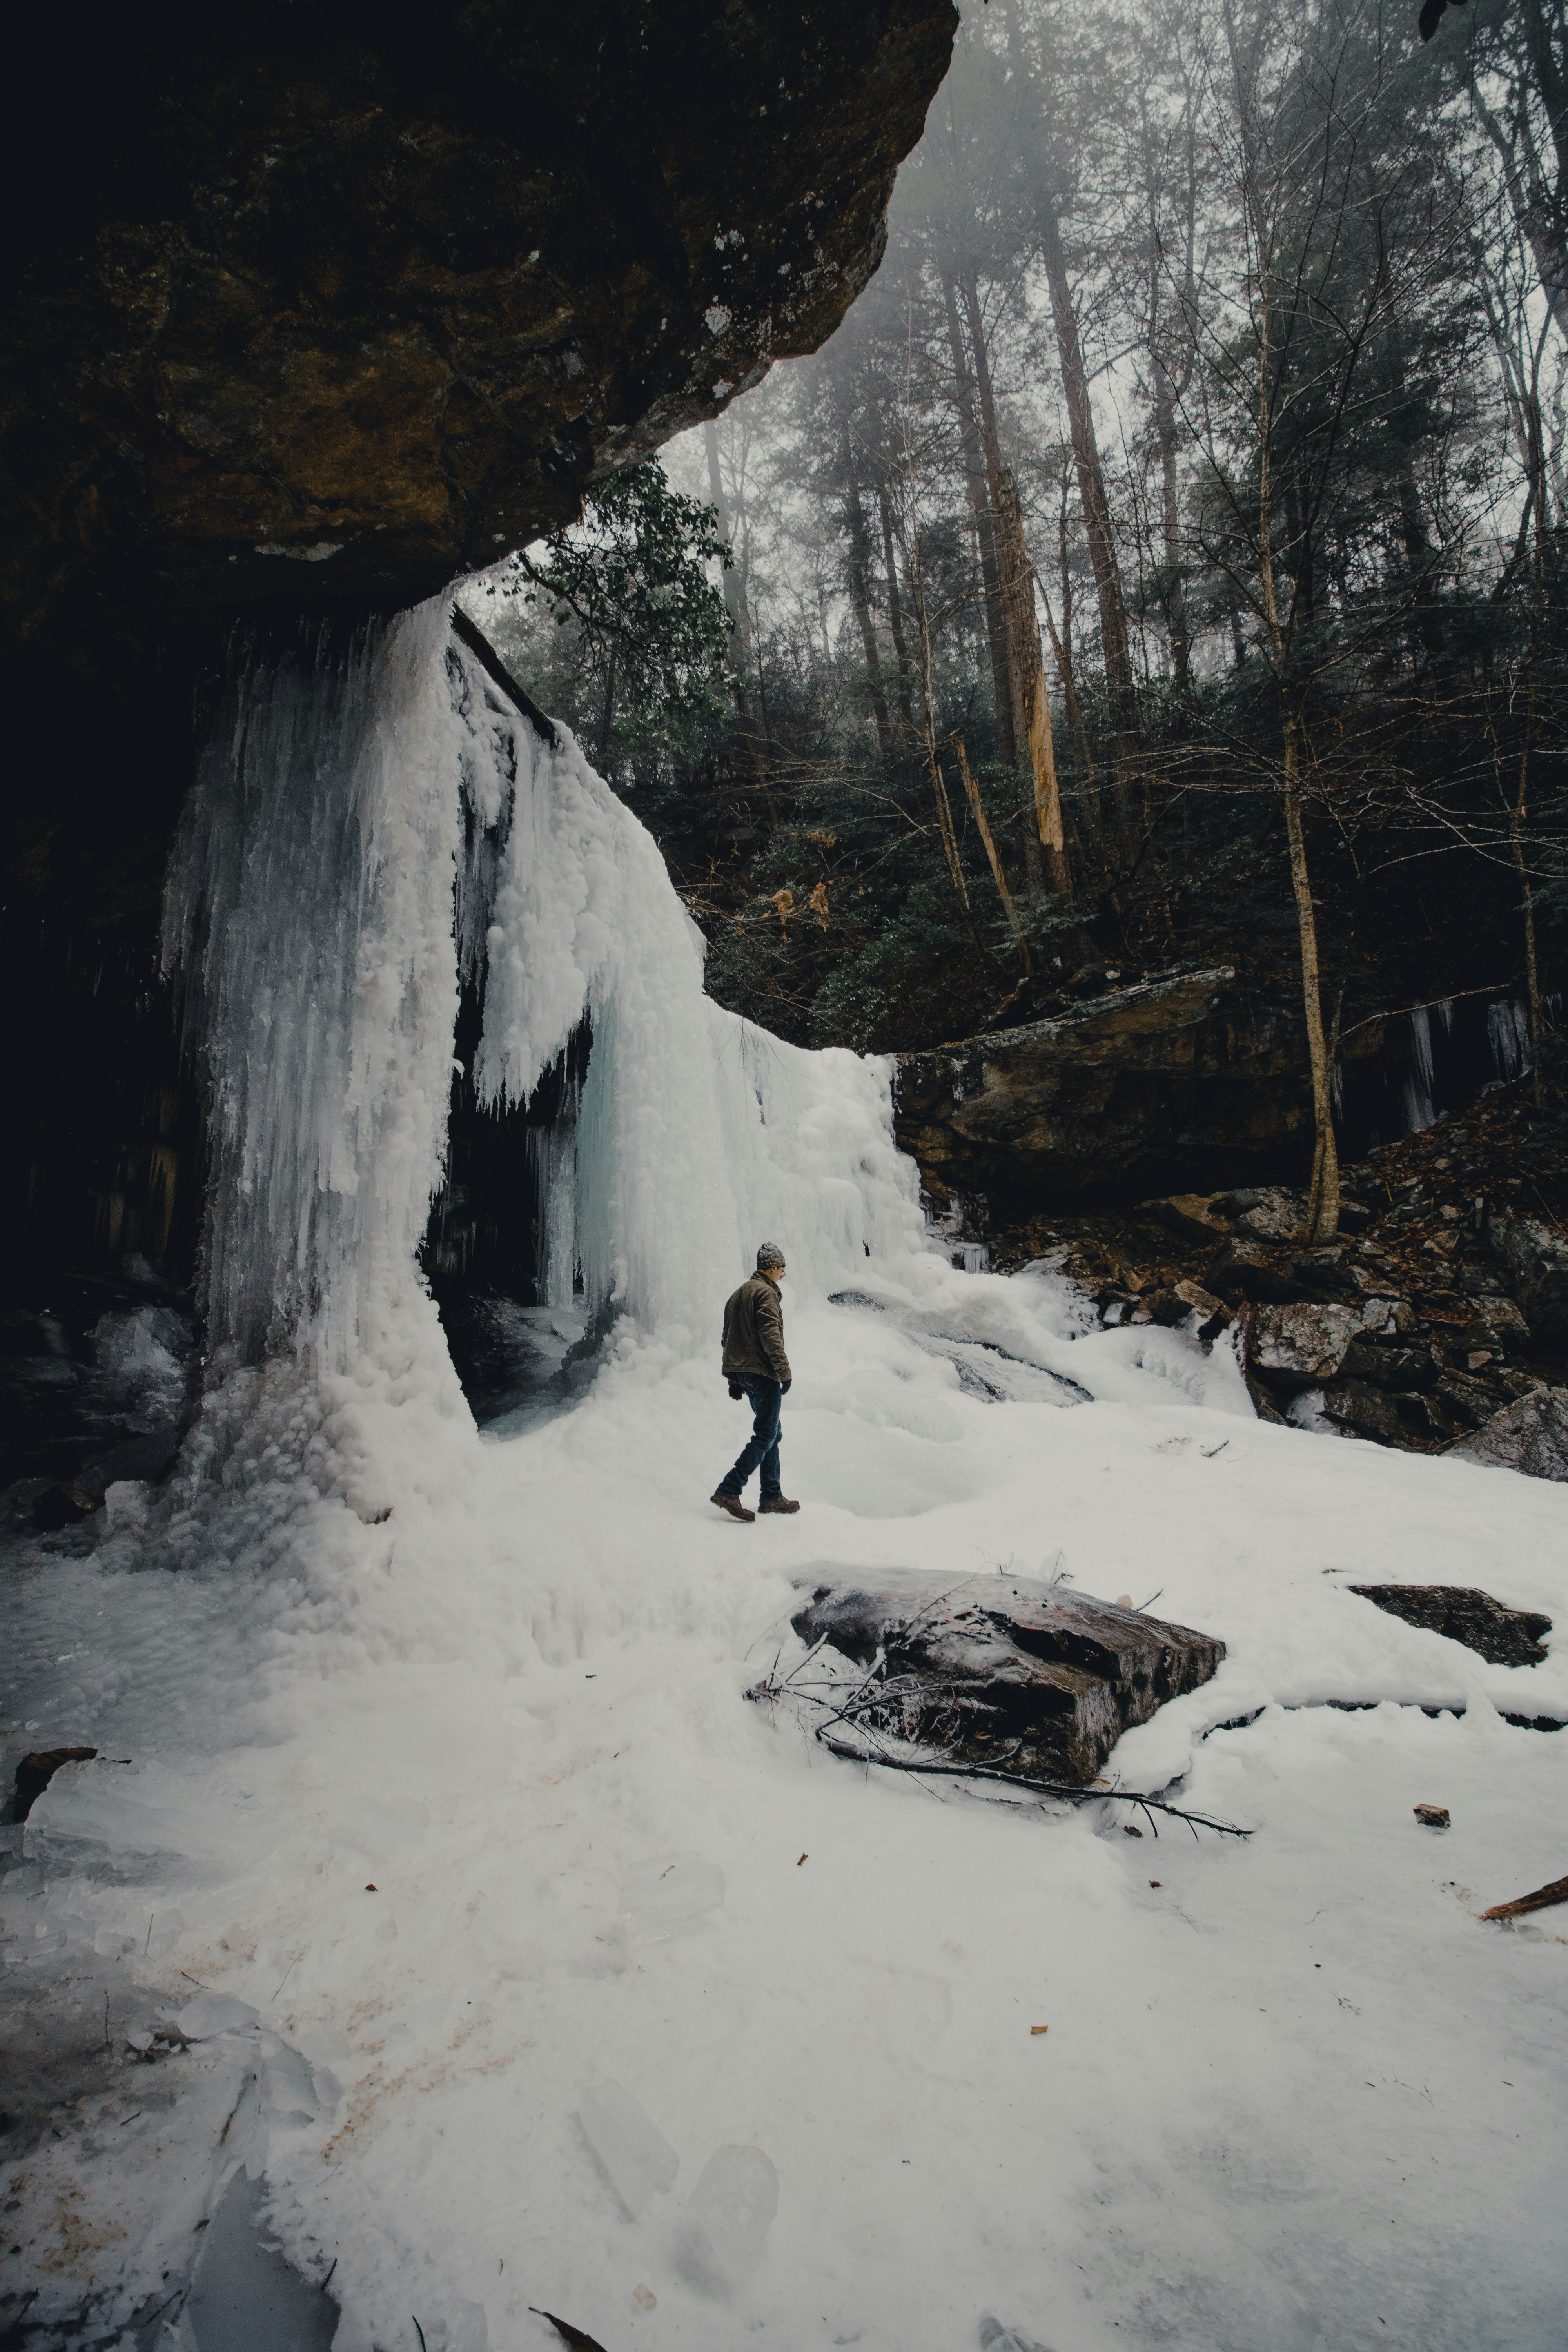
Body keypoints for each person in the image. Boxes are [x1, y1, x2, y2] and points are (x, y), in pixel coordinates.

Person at [711, 1243, 801, 1521]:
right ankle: (730, 1489)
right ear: (772, 1268)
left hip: (746, 1373)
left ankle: (771, 1495)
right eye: (782, 1270)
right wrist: (784, 1371)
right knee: (765, 1434)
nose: (782, 1275)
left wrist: (734, 1379)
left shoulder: (737, 1294)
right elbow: (770, 1335)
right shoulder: (765, 1293)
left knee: (772, 1432)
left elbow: (728, 1338)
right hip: (763, 1373)